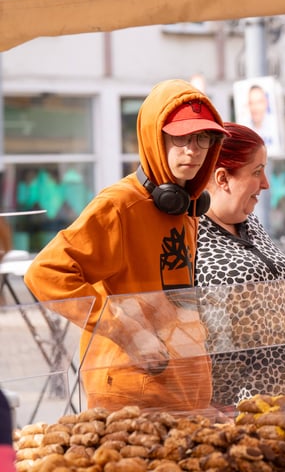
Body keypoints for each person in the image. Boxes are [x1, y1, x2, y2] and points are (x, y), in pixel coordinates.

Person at [24, 79, 230, 413]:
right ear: (154, 136)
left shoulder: (184, 206)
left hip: (179, 394)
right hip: (131, 397)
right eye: (179, 136)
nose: (192, 149)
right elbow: (45, 274)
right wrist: (126, 332)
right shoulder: (120, 205)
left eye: (202, 138)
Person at [194, 122, 285, 410]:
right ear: (222, 178)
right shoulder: (189, 235)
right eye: (257, 172)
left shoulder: (248, 221)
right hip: (235, 413)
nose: (266, 183)